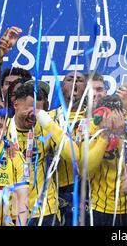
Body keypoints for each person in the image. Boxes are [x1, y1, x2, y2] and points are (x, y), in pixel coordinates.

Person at [6, 80, 79, 226]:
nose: (34, 116)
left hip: (45, 212)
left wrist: (49, 123)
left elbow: (74, 156)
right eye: (30, 110)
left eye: (38, 112)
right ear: (16, 105)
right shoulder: (2, 129)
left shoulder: (45, 128)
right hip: (12, 212)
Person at [80, 95, 127, 226]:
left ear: (123, 115)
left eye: (115, 119)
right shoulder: (91, 129)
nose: (111, 123)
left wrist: (121, 135)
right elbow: (85, 171)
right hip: (99, 208)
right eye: (107, 119)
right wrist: (104, 136)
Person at [49, 70, 87, 226]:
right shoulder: (48, 118)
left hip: (91, 191)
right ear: (62, 87)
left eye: (80, 80)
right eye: (70, 79)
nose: (75, 82)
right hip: (60, 191)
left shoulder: (94, 117)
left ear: (86, 89)